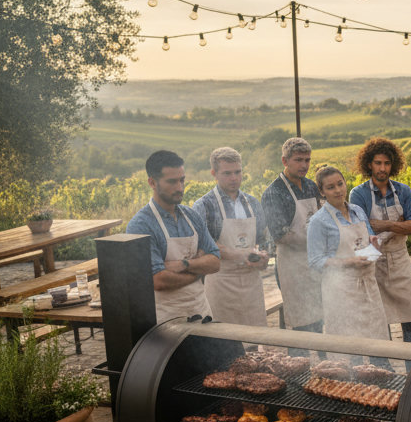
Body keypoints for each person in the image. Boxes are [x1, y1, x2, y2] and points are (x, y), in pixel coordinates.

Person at [127, 150, 220, 325]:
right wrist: (197, 273)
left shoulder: (192, 216)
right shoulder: (141, 225)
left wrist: (183, 264)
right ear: (152, 182)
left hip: (201, 312)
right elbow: (159, 280)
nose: (179, 187)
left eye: (182, 180)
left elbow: (215, 262)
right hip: (167, 321)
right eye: (172, 181)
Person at [349, 137, 411, 345]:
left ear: (394, 165)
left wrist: (386, 225)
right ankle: (386, 374)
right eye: (378, 163)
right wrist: (400, 224)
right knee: (379, 321)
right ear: (369, 164)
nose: (383, 168)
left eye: (387, 163)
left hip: (400, 260)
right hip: (374, 262)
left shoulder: (403, 191)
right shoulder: (358, 194)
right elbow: (361, 231)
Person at [307, 166, 390, 343]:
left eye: (340, 184)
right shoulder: (318, 221)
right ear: (322, 192)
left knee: (376, 342)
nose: (338, 190)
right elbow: (315, 261)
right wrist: (348, 262)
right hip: (340, 292)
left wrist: (373, 245)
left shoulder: (358, 211)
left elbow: (366, 240)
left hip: (368, 287)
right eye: (330, 187)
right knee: (349, 348)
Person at [193, 147, 270, 327]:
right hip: (221, 283)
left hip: (252, 282)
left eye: (237, 172)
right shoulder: (204, 205)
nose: (234, 178)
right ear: (214, 173)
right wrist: (243, 255)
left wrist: (263, 257)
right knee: (227, 344)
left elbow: (263, 240)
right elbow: (204, 247)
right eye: (227, 173)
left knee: (254, 342)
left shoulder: (252, 203)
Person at [261, 137, 323, 333]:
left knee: (319, 319)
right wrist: (316, 242)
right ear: (285, 161)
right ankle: (300, 360)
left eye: (307, 160)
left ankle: (324, 361)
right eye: (298, 160)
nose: (304, 165)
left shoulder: (312, 186)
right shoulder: (273, 192)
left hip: (315, 262)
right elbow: (280, 235)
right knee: (301, 323)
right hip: (292, 266)